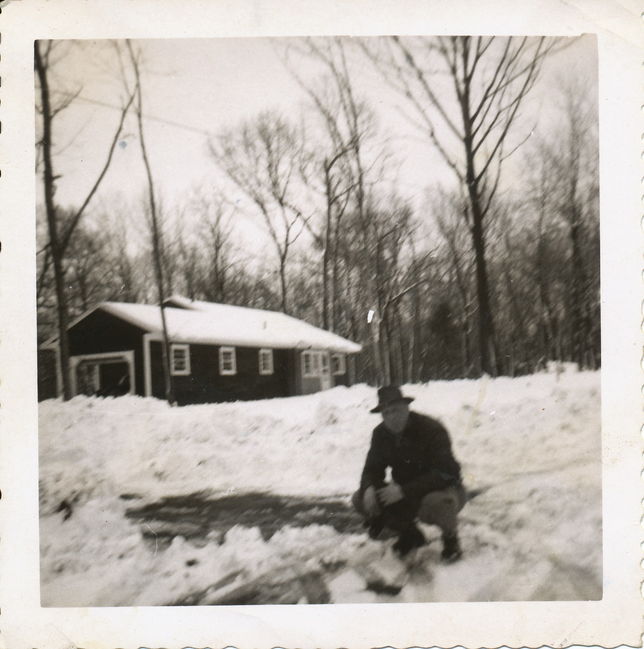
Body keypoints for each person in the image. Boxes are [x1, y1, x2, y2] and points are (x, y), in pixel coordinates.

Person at [352, 385, 466, 561]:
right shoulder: (381, 434)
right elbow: (371, 469)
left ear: (406, 408)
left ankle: (451, 539)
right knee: (360, 498)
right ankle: (410, 534)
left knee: (436, 503)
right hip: (405, 494)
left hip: (442, 490)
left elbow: (448, 472)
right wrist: (368, 488)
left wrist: (404, 491)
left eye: (395, 410)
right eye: (386, 413)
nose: (391, 417)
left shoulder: (431, 429)